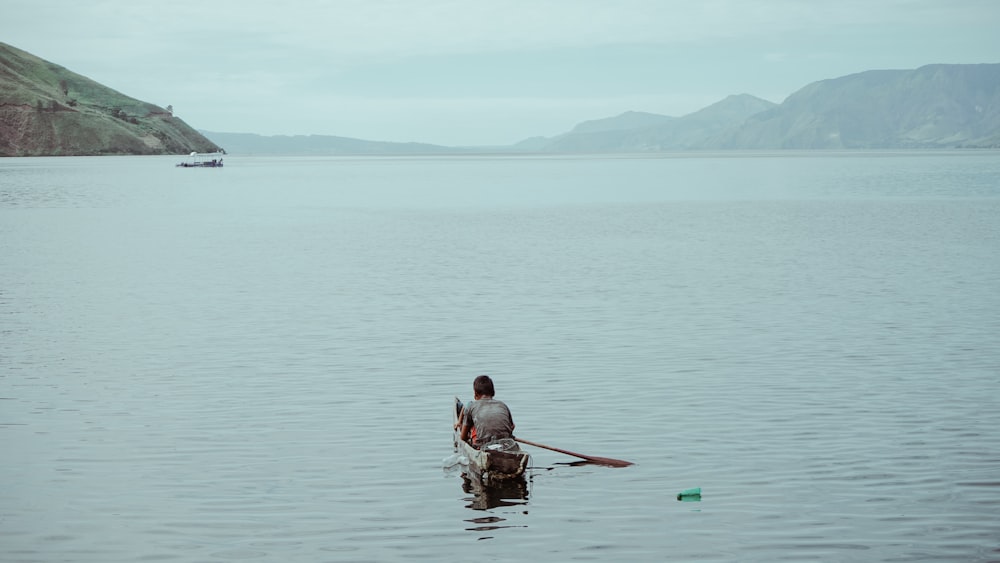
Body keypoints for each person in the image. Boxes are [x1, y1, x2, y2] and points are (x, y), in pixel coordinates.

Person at [457, 375, 515, 449]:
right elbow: (512, 427)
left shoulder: (471, 407)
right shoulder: (502, 405)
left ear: (475, 394)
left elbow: (463, 437)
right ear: (493, 393)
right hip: (506, 445)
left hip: (483, 446)